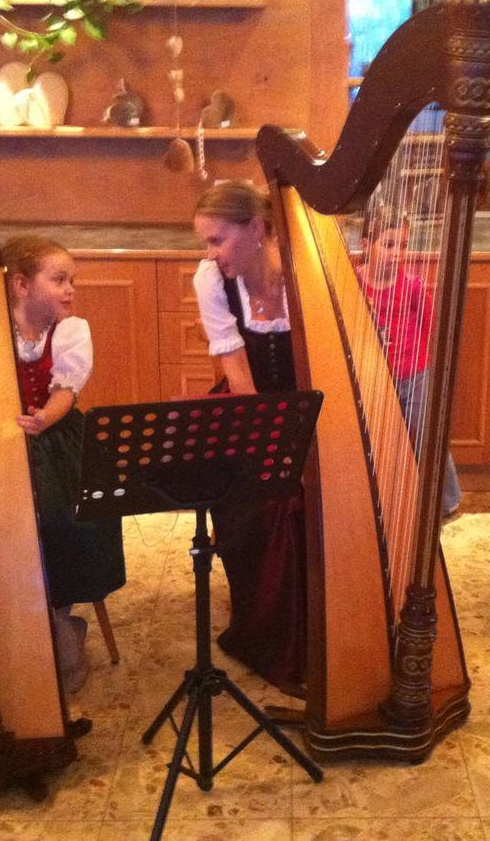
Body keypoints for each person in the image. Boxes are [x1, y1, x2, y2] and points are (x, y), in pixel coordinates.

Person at [191, 181, 305, 695]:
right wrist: (274, 444)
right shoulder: (212, 279)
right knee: (256, 499)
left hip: (313, 401)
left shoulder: (307, 269)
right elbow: (237, 370)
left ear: (257, 229)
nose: (210, 254)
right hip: (250, 405)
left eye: (217, 240)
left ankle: (323, 629)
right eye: (206, 244)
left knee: (315, 499)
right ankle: (263, 636)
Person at [3, 236, 126, 695]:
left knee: (64, 517)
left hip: (56, 438)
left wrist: (42, 420)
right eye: (58, 280)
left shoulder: (71, 331)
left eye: (72, 280)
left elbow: (66, 393)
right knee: (5, 525)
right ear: (20, 285)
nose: (70, 289)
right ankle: (15, 624)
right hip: (5, 439)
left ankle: (60, 618)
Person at [356, 209, 462, 518]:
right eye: (388, 245)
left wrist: (428, 367)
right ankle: (387, 501)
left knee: (428, 435)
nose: (397, 254)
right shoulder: (353, 281)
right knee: (380, 440)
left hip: (415, 372)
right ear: (366, 244)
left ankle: (448, 499)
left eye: (403, 245)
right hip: (374, 376)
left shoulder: (412, 286)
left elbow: (432, 329)